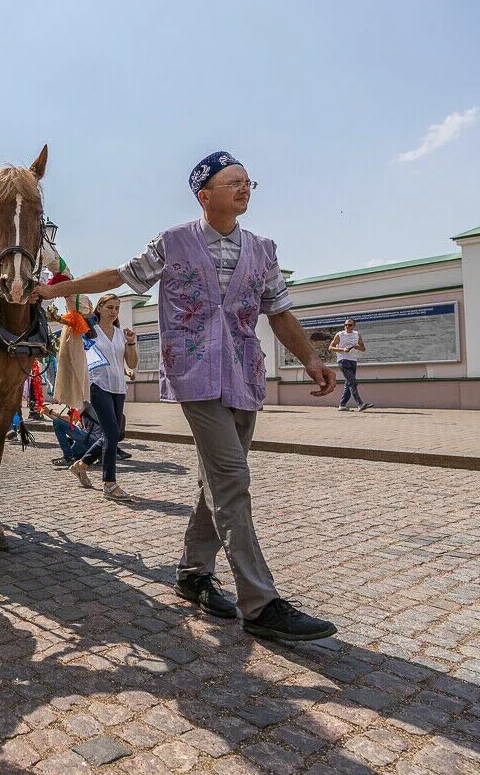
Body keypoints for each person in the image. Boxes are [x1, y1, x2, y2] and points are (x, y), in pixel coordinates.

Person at [38, 151, 339, 641]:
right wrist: (55, 292)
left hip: (243, 374)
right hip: (195, 373)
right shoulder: (174, 242)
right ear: (205, 195)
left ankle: (193, 572)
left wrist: (310, 358)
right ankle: (260, 603)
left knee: (216, 482)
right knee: (232, 477)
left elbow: (279, 311)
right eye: (232, 182)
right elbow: (120, 277)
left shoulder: (262, 250)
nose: (244, 189)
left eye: (247, 182)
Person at [69, 294, 138, 499]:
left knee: (113, 434)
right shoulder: (90, 332)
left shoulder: (120, 334)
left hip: (118, 387)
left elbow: (131, 363)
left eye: (117, 308)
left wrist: (131, 343)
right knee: (111, 430)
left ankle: (82, 464)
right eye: (109, 307)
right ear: (99, 308)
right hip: (98, 385)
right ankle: (109, 483)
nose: (114, 311)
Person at [329, 318, 373, 412]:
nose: (347, 327)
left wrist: (358, 347)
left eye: (350, 325)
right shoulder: (340, 334)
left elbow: (363, 348)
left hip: (353, 361)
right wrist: (342, 350)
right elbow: (330, 347)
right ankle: (360, 404)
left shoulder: (357, 334)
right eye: (346, 325)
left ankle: (342, 405)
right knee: (353, 382)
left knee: (348, 383)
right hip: (343, 360)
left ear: (354, 326)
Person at [45, 403, 104, 468]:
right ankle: (98, 454)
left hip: (91, 439)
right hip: (94, 440)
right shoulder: (85, 403)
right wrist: (46, 413)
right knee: (74, 456)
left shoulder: (85, 403)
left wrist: (50, 412)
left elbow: (69, 419)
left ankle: (68, 457)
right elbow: (73, 423)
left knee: (57, 423)